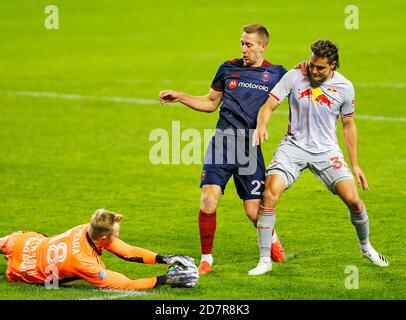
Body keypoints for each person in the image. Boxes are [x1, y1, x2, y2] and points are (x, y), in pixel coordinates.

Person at [249, 39, 389, 275]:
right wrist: (262, 126)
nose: (314, 71)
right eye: (312, 65)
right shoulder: (295, 76)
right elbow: (268, 106)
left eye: (320, 68)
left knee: (353, 200)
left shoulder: (345, 87)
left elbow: (348, 126)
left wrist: (355, 165)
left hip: (327, 151)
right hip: (292, 147)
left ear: (333, 65)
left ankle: (366, 247)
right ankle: (264, 259)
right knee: (269, 193)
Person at [159, 24, 287, 274]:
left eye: (249, 44)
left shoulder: (276, 73)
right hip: (222, 142)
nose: (244, 48)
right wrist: (181, 96)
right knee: (209, 198)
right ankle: (206, 258)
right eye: (242, 43)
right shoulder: (228, 68)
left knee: (253, 212)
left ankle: (271, 239)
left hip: (250, 147)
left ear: (263, 46)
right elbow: (210, 103)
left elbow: (303, 83)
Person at [0, 209, 198, 289]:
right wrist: (166, 279)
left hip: (24, 241)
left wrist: (166, 258)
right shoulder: (84, 262)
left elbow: (127, 252)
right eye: (117, 231)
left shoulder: (87, 229)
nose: (119, 234)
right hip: (23, 268)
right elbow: (126, 285)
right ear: (104, 237)